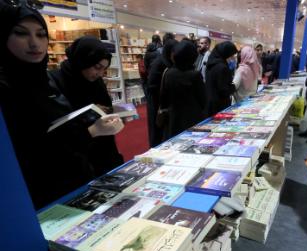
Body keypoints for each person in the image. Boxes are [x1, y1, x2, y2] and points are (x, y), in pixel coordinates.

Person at [0, 1, 123, 209]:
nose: (34, 43)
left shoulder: (44, 82)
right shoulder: (11, 89)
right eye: (21, 33)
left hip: (80, 178)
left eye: (41, 34)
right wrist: (91, 131)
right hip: (42, 196)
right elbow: (32, 150)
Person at [48, 36, 124, 177]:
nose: (100, 73)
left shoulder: (97, 82)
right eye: (97, 67)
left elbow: (107, 107)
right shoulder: (55, 81)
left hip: (104, 152)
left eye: (104, 69)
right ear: (83, 60)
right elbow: (60, 127)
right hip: (76, 159)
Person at [160, 40, 207, 139]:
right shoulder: (195, 75)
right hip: (193, 118)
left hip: (174, 118)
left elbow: (164, 97)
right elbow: (203, 99)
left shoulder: (168, 73)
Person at [146, 39, 178, 146]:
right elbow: (151, 85)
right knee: (157, 128)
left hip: (164, 102)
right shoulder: (159, 63)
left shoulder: (168, 62)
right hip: (157, 102)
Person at [205, 41, 238, 116]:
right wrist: (233, 87)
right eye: (231, 55)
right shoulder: (222, 67)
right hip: (220, 104)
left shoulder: (211, 63)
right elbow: (224, 89)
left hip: (210, 102)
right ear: (225, 53)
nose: (232, 58)